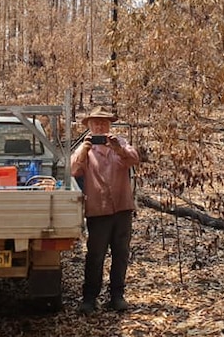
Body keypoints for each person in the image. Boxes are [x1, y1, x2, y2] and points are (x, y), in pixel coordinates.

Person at [71, 105, 140, 314]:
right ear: (90, 126)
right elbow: (74, 169)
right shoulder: (85, 148)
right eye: (96, 123)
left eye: (104, 122)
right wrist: (84, 150)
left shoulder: (120, 143)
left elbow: (134, 158)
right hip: (98, 210)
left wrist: (117, 148)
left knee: (121, 253)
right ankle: (89, 298)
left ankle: (117, 296)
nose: (100, 126)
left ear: (110, 125)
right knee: (95, 255)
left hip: (122, 207)